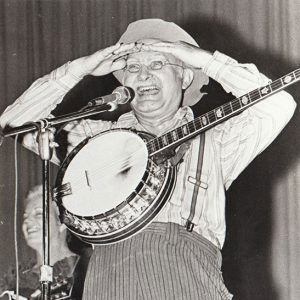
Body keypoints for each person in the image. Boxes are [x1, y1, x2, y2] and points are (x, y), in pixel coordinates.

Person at [0, 18, 296, 300]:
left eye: (157, 64)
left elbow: (278, 105)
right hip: (106, 275)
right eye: (132, 66)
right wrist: (78, 70)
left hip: (185, 271)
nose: (142, 75)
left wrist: (203, 59)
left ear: (184, 75)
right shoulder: (95, 138)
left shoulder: (215, 138)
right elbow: (14, 123)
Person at [0, 185, 90, 299]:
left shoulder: (85, 267)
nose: (27, 221)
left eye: (38, 214)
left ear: (62, 221)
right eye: (25, 217)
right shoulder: (15, 279)